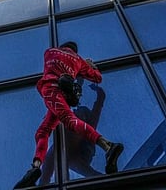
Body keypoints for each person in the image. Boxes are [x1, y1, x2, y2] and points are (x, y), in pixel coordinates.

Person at [14, 41, 123, 189]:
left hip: (52, 89)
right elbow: (98, 78)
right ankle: (34, 170)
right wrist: (89, 65)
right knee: (44, 130)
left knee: (66, 122)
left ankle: (108, 146)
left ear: (62, 47)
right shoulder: (78, 60)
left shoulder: (49, 52)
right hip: (63, 97)